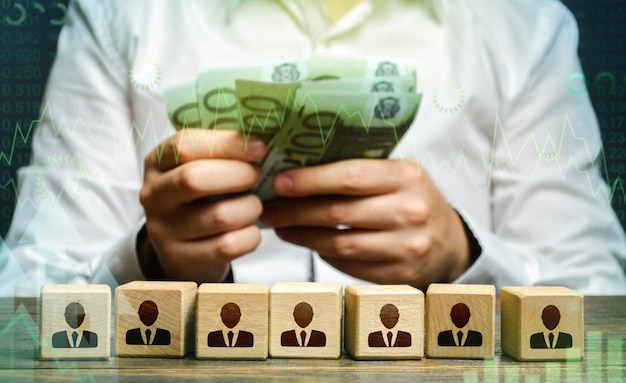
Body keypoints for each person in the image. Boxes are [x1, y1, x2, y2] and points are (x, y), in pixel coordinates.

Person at [1, 0, 625, 295]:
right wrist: (152, 264)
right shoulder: (123, 14)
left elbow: (600, 300)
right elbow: (24, 297)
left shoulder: (523, 22)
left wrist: (463, 261)